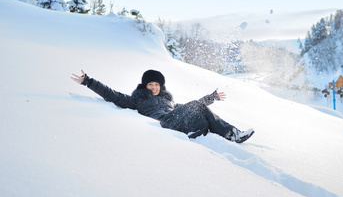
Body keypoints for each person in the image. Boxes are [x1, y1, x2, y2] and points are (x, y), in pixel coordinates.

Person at [71, 69, 254, 143]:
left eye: (157, 85)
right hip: (164, 122)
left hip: (177, 118)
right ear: (145, 86)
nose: (154, 87)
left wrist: (210, 97)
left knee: (198, 114)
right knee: (194, 108)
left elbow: (192, 107)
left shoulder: (168, 100)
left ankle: (199, 134)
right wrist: (89, 82)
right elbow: (113, 95)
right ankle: (232, 134)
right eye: (150, 84)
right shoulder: (138, 100)